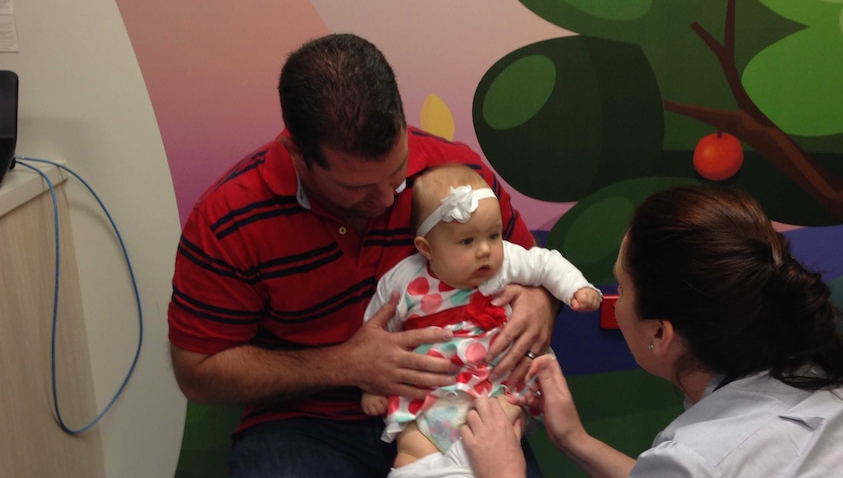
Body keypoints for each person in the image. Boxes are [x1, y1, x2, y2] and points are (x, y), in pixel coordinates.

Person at [167, 33, 560, 477]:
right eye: (356, 188)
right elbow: (197, 371)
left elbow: (533, 268)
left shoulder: (455, 174)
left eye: (397, 172)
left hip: (456, 405)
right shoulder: (228, 216)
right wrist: (343, 365)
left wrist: (542, 302)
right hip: (306, 425)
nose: (387, 198)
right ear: (297, 152)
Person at [460, 185, 843, 478]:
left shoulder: (696, 459)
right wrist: (574, 440)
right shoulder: (828, 382)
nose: (615, 302)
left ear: (660, 334)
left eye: (623, 288)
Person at [359, 164, 601, 477]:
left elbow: (545, 263)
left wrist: (577, 288)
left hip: (496, 395)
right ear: (426, 248)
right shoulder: (403, 282)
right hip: (429, 402)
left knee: (501, 437)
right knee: (411, 455)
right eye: (467, 242)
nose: (485, 250)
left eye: (493, 234)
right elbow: (376, 333)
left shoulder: (506, 263)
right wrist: (372, 386)